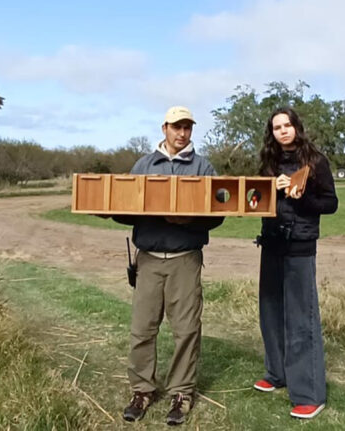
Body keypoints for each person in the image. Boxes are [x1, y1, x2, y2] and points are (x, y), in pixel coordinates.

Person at [110, 106, 224, 426]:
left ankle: (181, 393)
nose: (182, 133)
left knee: (186, 329)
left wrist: (188, 220)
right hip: (148, 258)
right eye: (176, 127)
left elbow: (217, 214)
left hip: (185, 258)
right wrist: (108, 211)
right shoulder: (144, 165)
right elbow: (125, 208)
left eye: (187, 127)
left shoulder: (203, 167)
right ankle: (142, 390)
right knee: (142, 328)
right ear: (164, 128)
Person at [253, 107, 338, 419]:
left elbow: (331, 203)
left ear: (297, 127)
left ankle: (309, 394)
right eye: (277, 127)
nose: (283, 131)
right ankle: (277, 374)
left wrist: (300, 196)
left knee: (301, 319)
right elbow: (253, 200)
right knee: (271, 311)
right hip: (271, 242)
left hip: (300, 245)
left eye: (287, 125)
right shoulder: (268, 162)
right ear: (272, 133)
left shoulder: (315, 160)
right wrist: (267, 190)